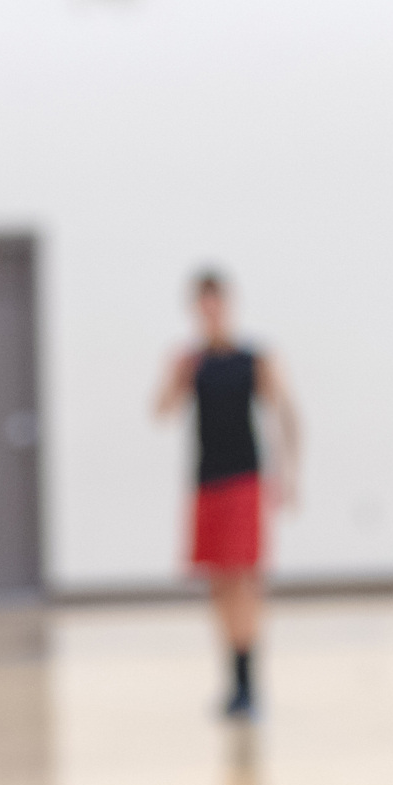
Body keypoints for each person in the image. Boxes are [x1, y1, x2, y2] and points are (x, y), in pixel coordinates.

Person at [154, 269, 302, 719]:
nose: (210, 311)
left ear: (228, 304)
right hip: (206, 482)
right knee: (217, 584)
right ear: (196, 309)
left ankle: (249, 683)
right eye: (203, 305)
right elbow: (161, 412)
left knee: (245, 581)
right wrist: (173, 375)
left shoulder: (254, 359)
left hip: (245, 481)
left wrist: (289, 475)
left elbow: (287, 414)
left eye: (217, 303)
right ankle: (232, 683)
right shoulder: (190, 362)